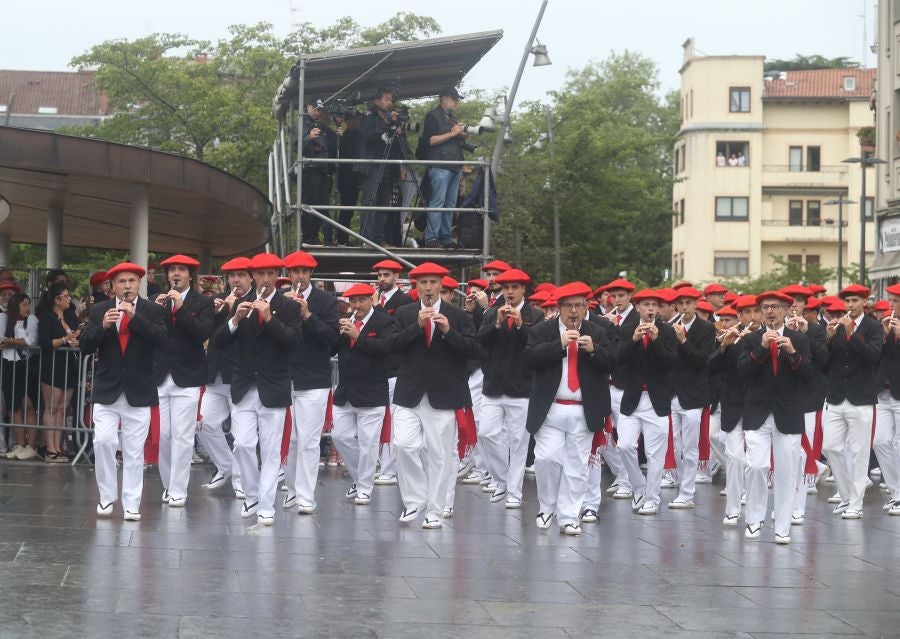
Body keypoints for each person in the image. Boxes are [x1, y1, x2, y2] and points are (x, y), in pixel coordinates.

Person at [211, 253, 302, 526]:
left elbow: (293, 342)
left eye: (270, 274)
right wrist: (235, 320)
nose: (265, 279)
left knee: (271, 450)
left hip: (274, 387)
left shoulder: (289, 307)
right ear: (253, 277)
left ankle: (265, 505)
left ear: (277, 276)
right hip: (243, 386)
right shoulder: (240, 304)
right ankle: (251, 495)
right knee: (243, 444)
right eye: (260, 274)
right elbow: (217, 343)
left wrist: (270, 319)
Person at [388, 262, 481, 529]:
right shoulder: (405, 312)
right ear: (415, 286)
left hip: (444, 394)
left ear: (442, 285)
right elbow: (392, 345)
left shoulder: (458, 315)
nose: (428, 288)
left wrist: (448, 332)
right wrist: (416, 327)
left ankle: (435, 510)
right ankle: (414, 501)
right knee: (405, 445)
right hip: (409, 391)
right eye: (423, 283)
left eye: (433, 282)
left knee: (440, 455)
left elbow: (474, 350)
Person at [524, 282, 615, 535]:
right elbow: (530, 359)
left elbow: (612, 363)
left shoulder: (598, 331)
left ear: (586, 307)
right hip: (550, 408)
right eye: (568, 306)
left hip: (584, 410)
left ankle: (569, 516)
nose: (573, 311)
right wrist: (559, 345)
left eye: (578, 306)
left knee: (577, 465)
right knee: (546, 459)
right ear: (559, 308)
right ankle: (546, 507)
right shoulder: (543, 330)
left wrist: (594, 351)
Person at [80, 262, 168, 520]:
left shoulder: (152, 310)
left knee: (133, 450)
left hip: (139, 389)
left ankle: (131, 503)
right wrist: (102, 327)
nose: (127, 286)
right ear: (113, 286)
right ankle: (106, 498)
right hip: (107, 388)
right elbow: (84, 345)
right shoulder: (100, 310)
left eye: (131, 281)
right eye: (121, 282)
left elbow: (162, 339)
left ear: (138, 283)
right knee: (103, 441)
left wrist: (134, 317)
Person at [738, 291, 813, 544]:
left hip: (788, 412)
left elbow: (809, 375)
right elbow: (742, 374)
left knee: (787, 471)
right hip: (757, 411)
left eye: (775, 307)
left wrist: (792, 352)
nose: (770, 311)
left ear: (786, 310)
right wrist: (760, 350)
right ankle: (754, 519)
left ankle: (783, 526)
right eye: (765, 307)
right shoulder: (750, 339)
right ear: (761, 311)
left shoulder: (799, 339)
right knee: (757, 466)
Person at [478, 269, 544, 510]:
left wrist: (519, 326)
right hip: (493, 386)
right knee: (485, 433)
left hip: (522, 388)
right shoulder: (492, 313)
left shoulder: (534, 314)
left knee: (518, 443)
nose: (509, 292)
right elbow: (479, 341)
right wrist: (496, 323)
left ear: (523, 289)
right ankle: (502, 480)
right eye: (506, 288)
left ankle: (514, 492)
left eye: (514, 287)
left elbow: (537, 346)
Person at [152, 254, 215, 509]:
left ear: (190, 275)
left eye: (181, 270)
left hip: (187, 377)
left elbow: (202, 333)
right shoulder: (159, 301)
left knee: (182, 436)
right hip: (160, 375)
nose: (176, 274)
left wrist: (181, 308)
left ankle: (179, 489)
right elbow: (151, 334)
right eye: (172, 270)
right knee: (164, 436)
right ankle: (168, 485)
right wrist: (153, 311)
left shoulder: (203, 303)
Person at [281, 250, 339, 514]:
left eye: (305, 271)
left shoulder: (325, 300)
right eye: (296, 272)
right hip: (283, 377)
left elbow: (333, 340)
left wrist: (307, 315)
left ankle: (306, 495)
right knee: (290, 440)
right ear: (289, 274)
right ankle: (292, 490)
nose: (300, 276)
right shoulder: (281, 299)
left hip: (314, 379)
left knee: (308, 440)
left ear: (311, 274)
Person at [330, 283, 397, 506]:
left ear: (371, 299)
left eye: (361, 300)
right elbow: (331, 349)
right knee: (340, 436)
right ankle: (361, 478)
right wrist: (337, 333)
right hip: (346, 391)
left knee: (369, 443)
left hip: (372, 392)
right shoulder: (346, 321)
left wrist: (358, 337)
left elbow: (386, 349)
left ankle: (365, 488)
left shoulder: (384, 321)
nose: (357, 305)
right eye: (353, 301)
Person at [822, 284, 883, 520]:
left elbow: (872, 355)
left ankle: (856, 503)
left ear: (864, 303)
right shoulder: (837, 327)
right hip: (837, 397)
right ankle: (846, 495)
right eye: (847, 301)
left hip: (861, 398)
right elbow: (826, 364)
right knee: (829, 447)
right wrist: (827, 339)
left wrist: (851, 334)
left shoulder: (874, 327)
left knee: (859, 452)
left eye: (855, 301)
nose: (849, 306)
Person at [615, 289, 678, 515]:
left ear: (659, 309)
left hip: (657, 400)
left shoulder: (668, 331)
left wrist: (656, 340)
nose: (651, 309)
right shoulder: (625, 330)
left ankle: (652, 497)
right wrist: (633, 340)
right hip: (631, 398)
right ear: (638, 307)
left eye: (655, 305)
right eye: (646, 305)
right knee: (624, 445)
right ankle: (639, 488)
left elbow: (671, 362)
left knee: (654, 454)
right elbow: (616, 360)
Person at [197, 257, 249, 498]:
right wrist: (217, 312)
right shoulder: (220, 303)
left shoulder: (255, 302)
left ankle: (241, 481)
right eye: (231, 276)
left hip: (239, 376)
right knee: (205, 424)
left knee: (241, 435)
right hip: (215, 376)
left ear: (250, 278)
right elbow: (210, 336)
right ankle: (225, 466)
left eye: (240, 275)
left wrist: (232, 313)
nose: (235, 280)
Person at [668, 287, 717, 509]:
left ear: (696, 305)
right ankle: (679, 483)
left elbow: (702, 361)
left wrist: (683, 341)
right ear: (676, 306)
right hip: (672, 395)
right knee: (674, 445)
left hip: (694, 396)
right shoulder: (669, 327)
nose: (685, 308)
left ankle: (687, 493)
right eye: (681, 304)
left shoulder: (706, 329)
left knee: (690, 447)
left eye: (689, 303)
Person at [372, 259, 414, 485]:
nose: (381, 280)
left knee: (394, 420)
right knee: (382, 420)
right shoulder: (377, 299)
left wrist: (376, 308)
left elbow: (393, 329)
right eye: (379, 275)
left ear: (396, 278)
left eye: (386, 275)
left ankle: (390, 469)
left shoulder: (404, 301)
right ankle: (385, 466)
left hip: (396, 368)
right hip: (379, 369)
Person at [707, 305, 747, 525]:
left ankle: (746, 487)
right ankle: (733, 505)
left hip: (753, 405)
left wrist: (743, 343)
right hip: (726, 402)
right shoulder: (721, 340)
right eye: (722, 320)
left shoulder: (753, 338)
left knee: (756, 459)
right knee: (731, 453)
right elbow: (710, 367)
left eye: (729, 320)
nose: (726, 324)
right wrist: (723, 347)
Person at [38, 281, 81, 462]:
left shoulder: (71, 316)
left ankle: (58, 447)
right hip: (52, 366)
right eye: (66, 296)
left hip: (69, 366)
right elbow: (46, 343)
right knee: (52, 407)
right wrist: (65, 339)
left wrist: (76, 341)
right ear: (57, 299)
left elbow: (78, 334)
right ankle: (50, 448)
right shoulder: (47, 317)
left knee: (62, 409)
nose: (69, 298)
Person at [422, 86, 468, 249]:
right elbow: (430, 140)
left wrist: (461, 134)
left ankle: (445, 237)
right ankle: (431, 238)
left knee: (450, 204)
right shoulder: (432, 116)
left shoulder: (452, 118)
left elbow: (454, 139)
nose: (456, 103)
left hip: (454, 165)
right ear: (444, 98)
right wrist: (452, 133)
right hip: (440, 164)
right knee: (438, 202)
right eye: (454, 99)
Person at [358, 88, 403, 247]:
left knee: (383, 205)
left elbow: (398, 145)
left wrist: (398, 130)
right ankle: (366, 238)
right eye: (386, 99)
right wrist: (386, 122)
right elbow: (369, 135)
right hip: (372, 165)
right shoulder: (368, 116)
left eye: (391, 99)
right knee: (370, 202)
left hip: (389, 166)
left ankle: (377, 238)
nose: (389, 102)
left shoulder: (393, 118)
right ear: (377, 101)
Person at [1, 292, 40, 460]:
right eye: (24, 304)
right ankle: (19, 444)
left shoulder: (31, 319)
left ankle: (31, 445)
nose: (27, 308)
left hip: (26, 365)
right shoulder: (4, 318)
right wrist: (11, 341)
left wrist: (9, 341)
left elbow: (31, 340)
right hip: (9, 364)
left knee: (28, 405)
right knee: (13, 406)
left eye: (28, 304)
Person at [300, 99, 337, 246]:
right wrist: (309, 137)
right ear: (308, 106)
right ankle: (308, 237)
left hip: (323, 170)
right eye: (315, 108)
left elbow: (331, 145)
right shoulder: (302, 123)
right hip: (310, 170)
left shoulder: (322, 126)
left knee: (322, 205)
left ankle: (315, 236)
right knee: (309, 204)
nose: (317, 112)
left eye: (320, 110)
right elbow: (297, 145)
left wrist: (337, 134)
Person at [876, 283, 900, 516]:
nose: (890, 305)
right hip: (882, 392)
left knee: (899, 444)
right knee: (880, 441)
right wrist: (883, 336)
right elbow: (875, 356)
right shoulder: (883, 324)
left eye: (894, 301)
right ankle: (896, 492)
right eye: (890, 300)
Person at [334, 113, 362, 246]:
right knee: (346, 210)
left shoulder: (356, 135)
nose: (358, 121)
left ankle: (343, 237)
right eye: (356, 119)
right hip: (348, 179)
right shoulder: (346, 137)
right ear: (350, 121)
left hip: (353, 177)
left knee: (348, 210)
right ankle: (341, 238)